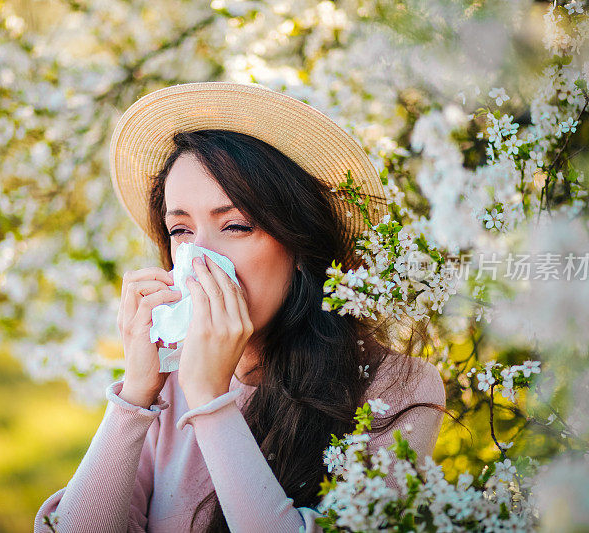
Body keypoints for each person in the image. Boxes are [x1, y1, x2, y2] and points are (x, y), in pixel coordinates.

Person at [34, 82, 447, 533]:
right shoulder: (167, 384)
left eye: (235, 225)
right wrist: (134, 395)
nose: (201, 259)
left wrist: (211, 400)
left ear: (300, 244)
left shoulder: (398, 390)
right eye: (181, 231)